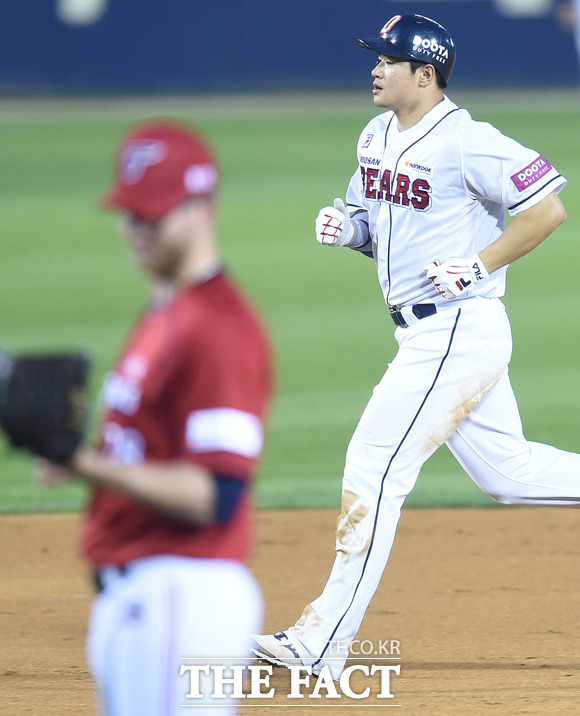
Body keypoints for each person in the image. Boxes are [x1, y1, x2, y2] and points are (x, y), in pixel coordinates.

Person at [251, 13, 580, 680]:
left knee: (373, 470)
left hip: (457, 329)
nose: (375, 67)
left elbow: (547, 206)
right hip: (432, 329)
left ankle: (322, 641)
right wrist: (349, 227)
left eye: (388, 59)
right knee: (508, 474)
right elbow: (378, 224)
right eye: (375, 57)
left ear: (425, 75)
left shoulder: (468, 142)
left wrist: (482, 263)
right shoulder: (374, 136)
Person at [38, 120, 273, 714]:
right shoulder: (165, 313)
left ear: (202, 208)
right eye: (130, 214)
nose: (137, 230)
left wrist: (81, 461)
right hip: (135, 595)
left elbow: (214, 494)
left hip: (181, 597)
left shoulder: (218, 327)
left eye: (153, 214)